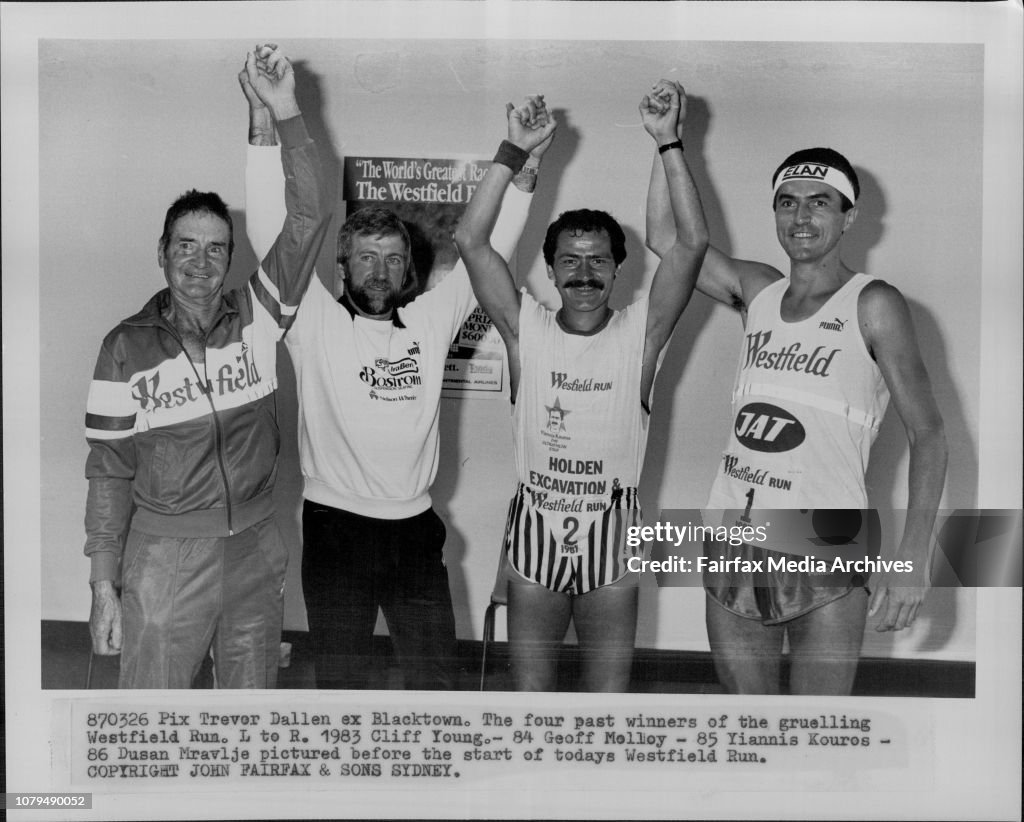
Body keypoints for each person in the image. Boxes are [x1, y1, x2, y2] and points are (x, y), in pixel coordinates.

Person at [645, 81, 948, 695]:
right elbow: (666, 242)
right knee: (751, 726)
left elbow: (931, 435)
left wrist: (914, 556)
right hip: (736, 530)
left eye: (819, 202)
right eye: (787, 202)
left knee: (816, 735)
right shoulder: (756, 289)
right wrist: (665, 142)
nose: (801, 216)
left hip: (827, 538)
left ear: (848, 217)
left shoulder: (875, 303)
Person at [243, 81, 544, 690]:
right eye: (365, 258)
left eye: (391, 259)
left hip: (414, 531)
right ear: (341, 266)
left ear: (409, 269)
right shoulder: (311, 318)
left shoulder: (432, 319)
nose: (379, 271)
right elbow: (272, 229)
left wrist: (525, 163)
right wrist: (267, 118)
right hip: (335, 528)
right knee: (342, 683)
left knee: (437, 682)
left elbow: (488, 248)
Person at [84, 45, 325, 688]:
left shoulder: (260, 315)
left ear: (231, 257)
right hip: (164, 559)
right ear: (161, 253)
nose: (200, 261)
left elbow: (307, 217)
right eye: (184, 246)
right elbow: (107, 470)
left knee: (246, 720)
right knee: (153, 719)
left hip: (254, 546)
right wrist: (103, 585)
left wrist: (284, 113)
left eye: (216, 248)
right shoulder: (123, 348)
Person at [454, 84, 709, 691]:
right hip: (534, 541)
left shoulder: (642, 336)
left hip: (612, 544)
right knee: (531, 706)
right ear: (549, 270)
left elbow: (692, 244)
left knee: (604, 708)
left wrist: (668, 141)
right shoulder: (526, 331)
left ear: (619, 269)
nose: (585, 273)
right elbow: (470, 241)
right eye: (570, 260)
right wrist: (513, 150)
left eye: (598, 261)